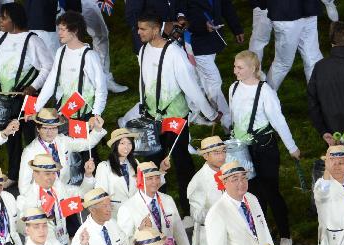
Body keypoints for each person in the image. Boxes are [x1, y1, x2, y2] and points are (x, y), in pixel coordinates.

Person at [136, 12, 218, 210]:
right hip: (151, 117)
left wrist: (210, 113)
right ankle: (158, 207)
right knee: (152, 164)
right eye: (138, 28)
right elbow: (143, 81)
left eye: (143, 29)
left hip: (175, 118)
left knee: (181, 162)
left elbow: (190, 86)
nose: (138, 32)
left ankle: (189, 209)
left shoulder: (174, 53)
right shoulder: (143, 50)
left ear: (156, 29)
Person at [229, 50, 300, 245]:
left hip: (265, 148)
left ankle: (285, 234)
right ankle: (261, 234)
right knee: (251, 191)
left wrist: (292, 147)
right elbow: (235, 116)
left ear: (253, 68)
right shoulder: (233, 87)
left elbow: (278, 121)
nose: (235, 71)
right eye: (234, 66)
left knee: (270, 190)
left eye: (240, 67)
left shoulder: (265, 91)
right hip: (243, 149)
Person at [0, 2, 53, 181]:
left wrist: (33, 86)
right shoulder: (1, 36)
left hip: (26, 98)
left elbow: (48, 66)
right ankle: (14, 174)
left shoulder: (33, 41)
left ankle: (36, 173)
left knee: (31, 136)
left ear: (15, 20)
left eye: (4, 18)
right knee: (11, 137)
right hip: (6, 98)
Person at [33, 12, 108, 132]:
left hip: (84, 114)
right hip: (63, 111)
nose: (59, 33)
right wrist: (36, 107)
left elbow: (101, 87)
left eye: (63, 29)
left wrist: (96, 114)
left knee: (84, 143)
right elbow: (51, 81)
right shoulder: (61, 51)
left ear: (75, 30)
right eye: (59, 29)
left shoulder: (89, 56)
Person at [116, 161, 195, 245]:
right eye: (150, 178)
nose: (155, 182)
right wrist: (139, 232)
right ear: (139, 180)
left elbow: (180, 232)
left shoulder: (168, 200)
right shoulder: (127, 208)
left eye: (157, 177)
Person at [183, 0, 244, 127]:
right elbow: (183, 13)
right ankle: (228, 124)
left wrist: (236, 28)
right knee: (213, 82)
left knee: (202, 81)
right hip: (197, 43)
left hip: (212, 40)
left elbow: (226, 5)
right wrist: (202, 26)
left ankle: (194, 114)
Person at [307, 22, 344, 146]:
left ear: (331, 41)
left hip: (330, 133)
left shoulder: (319, 67)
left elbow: (312, 102)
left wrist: (323, 131)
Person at [17, 153, 95, 245]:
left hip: (64, 242)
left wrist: (88, 175)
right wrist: (36, 219)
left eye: (53, 173)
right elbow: (20, 227)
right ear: (35, 174)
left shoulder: (58, 188)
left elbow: (82, 193)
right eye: (47, 174)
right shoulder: (27, 197)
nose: (51, 177)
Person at [19, 108, 105, 193]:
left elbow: (86, 144)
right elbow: (24, 187)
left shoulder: (62, 140)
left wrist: (97, 129)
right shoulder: (29, 152)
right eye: (45, 128)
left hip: (64, 191)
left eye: (53, 128)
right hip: (42, 196)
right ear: (38, 129)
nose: (50, 132)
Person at [262, 0, 324, 91]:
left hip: (306, 10)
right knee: (283, 64)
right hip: (286, 13)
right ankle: (264, 96)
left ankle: (318, 97)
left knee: (313, 59)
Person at [86, 128, 139, 217]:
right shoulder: (104, 167)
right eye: (122, 143)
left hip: (135, 212)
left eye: (129, 143)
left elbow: (144, 186)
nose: (126, 146)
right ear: (115, 145)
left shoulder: (135, 163)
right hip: (116, 214)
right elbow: (101, 195)